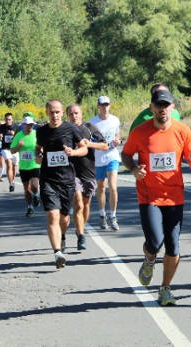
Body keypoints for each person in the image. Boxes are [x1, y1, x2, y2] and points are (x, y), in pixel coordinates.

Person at [121, 89, 191, 306]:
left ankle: (165, 288)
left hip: (175, 196)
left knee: (173, 247)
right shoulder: (140, 132)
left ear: (172, 108)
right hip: (149, 196)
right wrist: (134, 169)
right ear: (152, 108)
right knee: (156, 242)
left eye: (166, 105)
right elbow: (126, 154)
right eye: (159, 105)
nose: (162, 109)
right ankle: (149, 258)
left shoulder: (183, 131)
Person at [35, 99, 87, 269]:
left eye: (57, 112)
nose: (55, 115)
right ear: (46, 113)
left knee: (65, 217)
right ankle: (57, 252)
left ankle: (62, 235)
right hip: (48, 180)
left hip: (67, 179)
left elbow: (84, 148)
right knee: (52, 216)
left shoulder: (71, 129)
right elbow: (38, 147)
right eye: (52, 112)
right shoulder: (41, 131)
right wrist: (38, 154)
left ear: (62, 113)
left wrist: (73, 152)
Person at [66, 104, 108, 251]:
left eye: (76, 113)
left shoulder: (89, 127)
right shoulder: (64, 129)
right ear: (68, 116)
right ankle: (81, 235)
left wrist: (89, 144)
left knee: (86, 203)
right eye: (71, 114)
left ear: (81, 114)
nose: (74, 116)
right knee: (78, 203)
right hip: (71, 171)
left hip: (88, 170)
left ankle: (81, 228)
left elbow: (105, 145)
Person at [88, 96, 122, 231]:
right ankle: (102, 215)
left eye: (107, 104)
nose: (104, 107)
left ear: (110, 105)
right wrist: (100, 145)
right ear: (98, 106)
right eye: (102, 105)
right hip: (98, 159)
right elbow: (89, 141)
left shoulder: (115, 120)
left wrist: (116, 141)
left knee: (113, 187)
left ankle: (113, 216)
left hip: (112, 156)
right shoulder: (92, 123)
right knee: (101, 188)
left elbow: (117, 136)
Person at [10, 116, 41, 217]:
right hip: (23, 167)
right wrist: (19, 146)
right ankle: (29, 207)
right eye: (28, 125)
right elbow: (12, 150)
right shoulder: (18, 135)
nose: (30, 126)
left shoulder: (36, 134)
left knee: (34, 186)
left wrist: (41, 152)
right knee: (26, 188)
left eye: (32, 125)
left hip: (35, 164)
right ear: (23, 125)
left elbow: (42, 146)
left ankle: (36, 195)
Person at [0, 113, 19, 192]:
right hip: (5, 148)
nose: (8, 121)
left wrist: (14, 134)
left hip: (15, 148)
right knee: (9, 164)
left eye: (9, 119)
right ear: (5, 119)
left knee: (15, 166)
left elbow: (21, 136)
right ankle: (11, 184)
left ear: (12, 119)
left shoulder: (16, 127)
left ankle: (13, 180)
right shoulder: (2, 127)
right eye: (6, 119)